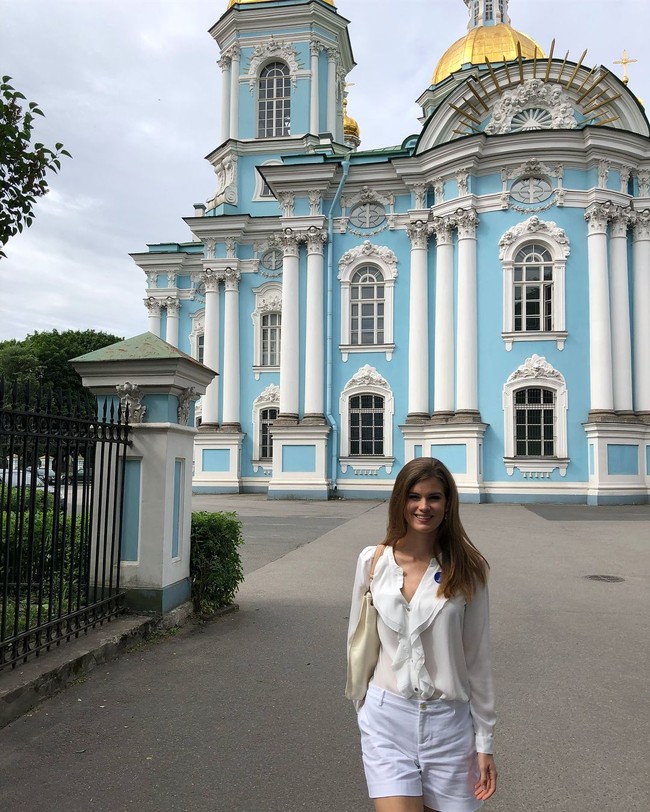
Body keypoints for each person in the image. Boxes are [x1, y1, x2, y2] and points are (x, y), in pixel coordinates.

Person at [347, 458, 497, 812]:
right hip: (387, 721)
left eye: (434, 497)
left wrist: (485, 742)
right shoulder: (373, 562)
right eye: (414, 496)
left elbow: (477, 659)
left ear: (448, 504)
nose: (423, 506)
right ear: (401, 500)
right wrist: (364, 707)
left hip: (449, 727)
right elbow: (356, 637)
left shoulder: (468, 569)